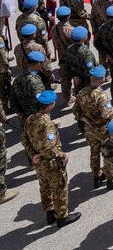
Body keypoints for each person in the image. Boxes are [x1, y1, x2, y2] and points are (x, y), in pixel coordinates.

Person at [26, 90, 81, 228]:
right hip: (51, 163)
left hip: (39, 163)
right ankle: (62, 217)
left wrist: (33, 155)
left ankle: (49, 213)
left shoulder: (30, 119)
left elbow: (25, 140)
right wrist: (63, 156)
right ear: (50, 105)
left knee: (44, 187)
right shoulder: (47, 123)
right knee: (59, 187)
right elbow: (50, 148)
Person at [73, 65, 113, 188]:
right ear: (101, 79)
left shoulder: (81, 93)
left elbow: (76, 111)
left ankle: (96, 177)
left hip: (89, 129)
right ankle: (110, 180)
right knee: (108, 154)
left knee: (94, 153)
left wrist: (85, 119)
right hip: (103, 130)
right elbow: (107, 115)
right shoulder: (101, 96)